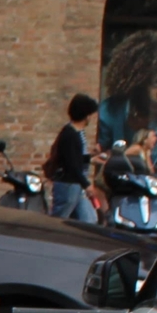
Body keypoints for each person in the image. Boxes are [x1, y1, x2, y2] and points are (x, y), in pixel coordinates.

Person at [42, 93, 98, 222]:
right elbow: (71, 164)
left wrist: (90, 159)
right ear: (86, 115)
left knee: (89, 219)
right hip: (68, 184)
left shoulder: (75, 133)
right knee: (59, 219)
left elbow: (74, 158)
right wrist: (87, 184)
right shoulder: (70, 135)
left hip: (76, 184)